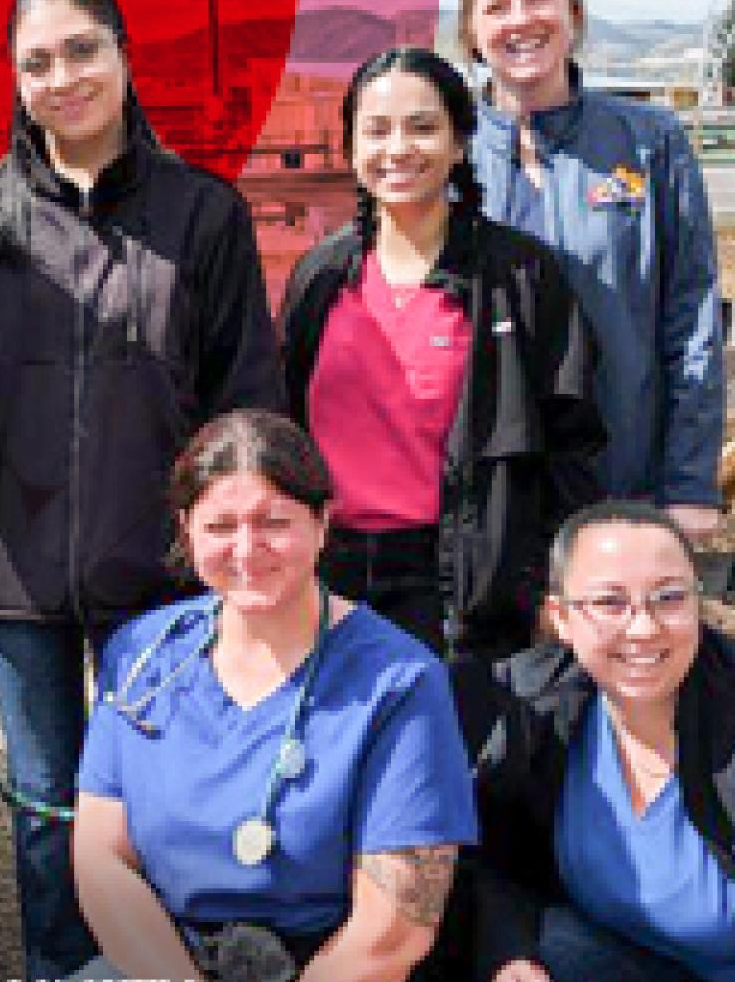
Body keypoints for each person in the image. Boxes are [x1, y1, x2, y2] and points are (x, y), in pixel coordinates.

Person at [0, 0, 285, 979]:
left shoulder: (202, 214)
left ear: (123, 55)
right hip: (13, 574)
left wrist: (241, 541)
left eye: (83, 51)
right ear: (16, 81)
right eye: (38, 63)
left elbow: (245, 393)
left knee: (155, 812)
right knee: (46, 809)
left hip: (156, 576)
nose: (62, 79)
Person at [71, 410, 478, 982]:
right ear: (186, 529)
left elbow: (394, 931)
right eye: (220, 527)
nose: (247, 549)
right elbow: (100, 861)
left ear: (322, 522)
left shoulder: (400, 681)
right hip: (164, 960)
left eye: (274, 522)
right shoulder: (142, 654)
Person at [280, 47, 604, 661]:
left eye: (422, 127)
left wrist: (560, 580)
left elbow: (570, 445)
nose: (398, 148)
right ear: (350, 149)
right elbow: (286, 422)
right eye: (376, 130)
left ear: (459, 143)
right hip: (330, 579)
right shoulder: (319, 278)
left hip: (464, 588)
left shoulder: (519, 276)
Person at [449, 501, 735, 981]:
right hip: (614, 959)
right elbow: (487, 861)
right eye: (610, 602)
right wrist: (509, 951)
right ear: (561, 618)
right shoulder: (530, 705)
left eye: (670, 597)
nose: (643, 628)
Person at [461, 0, 725, 540]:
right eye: (496, 7)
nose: (520, 20)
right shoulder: (450, 152)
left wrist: (688, 482)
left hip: (622, 482)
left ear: (572, 12)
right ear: (472, 35)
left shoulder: (649, 142)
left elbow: (692, 318)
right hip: (488, 502)